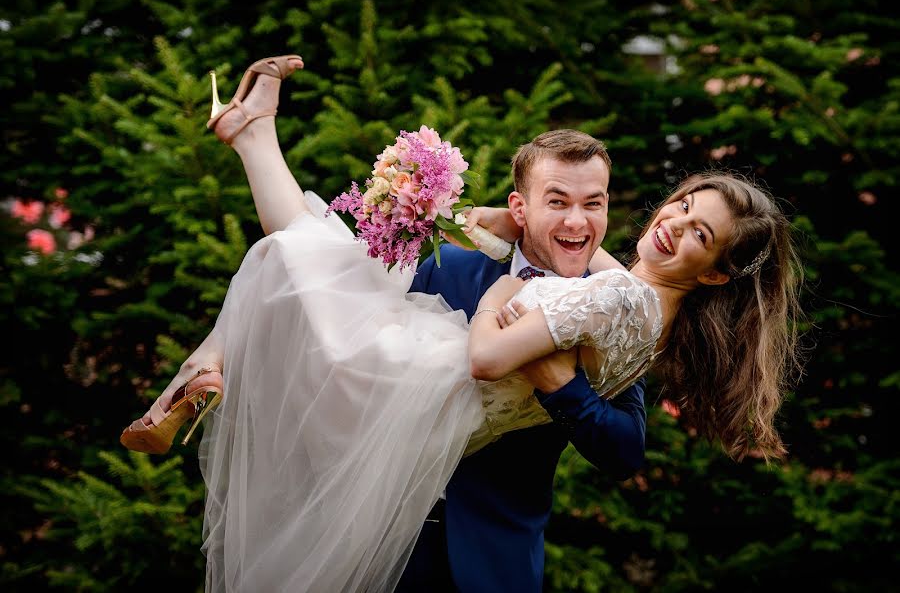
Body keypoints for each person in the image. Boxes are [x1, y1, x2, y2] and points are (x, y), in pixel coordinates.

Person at [119, 55, 804, 592]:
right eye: (681, 206)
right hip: (384, 508)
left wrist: (551, 372)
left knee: (307, 255)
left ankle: (246, 165)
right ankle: (247, 157)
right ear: (524, 203)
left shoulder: (618, 303)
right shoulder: (603, 290)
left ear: (715, 270)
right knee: (323, 259)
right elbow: (586, 264)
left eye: (696, 234)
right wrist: (478, 226)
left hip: (478, 542)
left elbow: (620, 442)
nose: (671, 225)